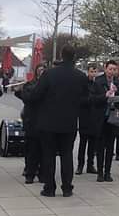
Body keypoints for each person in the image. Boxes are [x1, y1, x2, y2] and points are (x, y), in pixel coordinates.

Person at [31, 46, 90, 197]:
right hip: (69, 122)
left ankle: (49, 188)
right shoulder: (80, 76)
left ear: (61, 56)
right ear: (74, 57)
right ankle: (67, 188)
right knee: (67, 155)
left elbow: (36, 94)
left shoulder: (49, 74)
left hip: (48, 121)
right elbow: (86, 99)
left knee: (48, 155)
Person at [14, 64, 47, 185]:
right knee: (31, 150)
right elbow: (27, 98)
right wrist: (19, 90)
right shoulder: (29, 85)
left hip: (44, 121)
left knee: (43, 150)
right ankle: (30, 174)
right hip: (31, 120)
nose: (41, 72)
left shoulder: (48, 85)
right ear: (36, 72)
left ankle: (42, 174)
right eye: (40, 70)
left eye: (43, 70)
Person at [95, 61, 119, 182]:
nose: (112, 72)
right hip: (101, 117)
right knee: (100, 146)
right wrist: (105, 96)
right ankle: (100, 172)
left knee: (110, 145)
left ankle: (108, 172)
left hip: (113, 117)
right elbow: (93, 99)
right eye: (110, 69)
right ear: (105, 69)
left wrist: (118, 94)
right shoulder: (98, 81)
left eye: (114, 69)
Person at [76, 64, 99, 175]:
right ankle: (80, 165)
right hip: (84, 116)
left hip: (94, 116)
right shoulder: (83, 84)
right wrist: (91, 99)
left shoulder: (97, 84)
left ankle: (90, 164)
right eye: (91, 71)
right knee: (83, 143)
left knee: (93, 143)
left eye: (95, 72)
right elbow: (80, 99)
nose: (93, 74)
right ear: (88, 72)